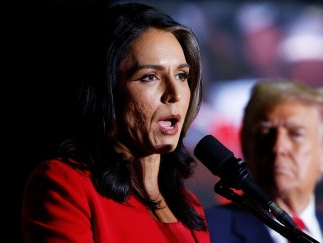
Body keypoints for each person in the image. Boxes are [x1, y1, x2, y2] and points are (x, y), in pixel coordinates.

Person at [21, 2, 211, 243]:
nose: (175, 93)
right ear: (107, 91)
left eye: (182, 75)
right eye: (150, 77)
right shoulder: (65, 185)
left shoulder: (189, 207)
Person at [205, 80, 323, 243]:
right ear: (246, 148)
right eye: (266, 133)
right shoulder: (204, 235)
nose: (279, 147)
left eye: (296, 134)